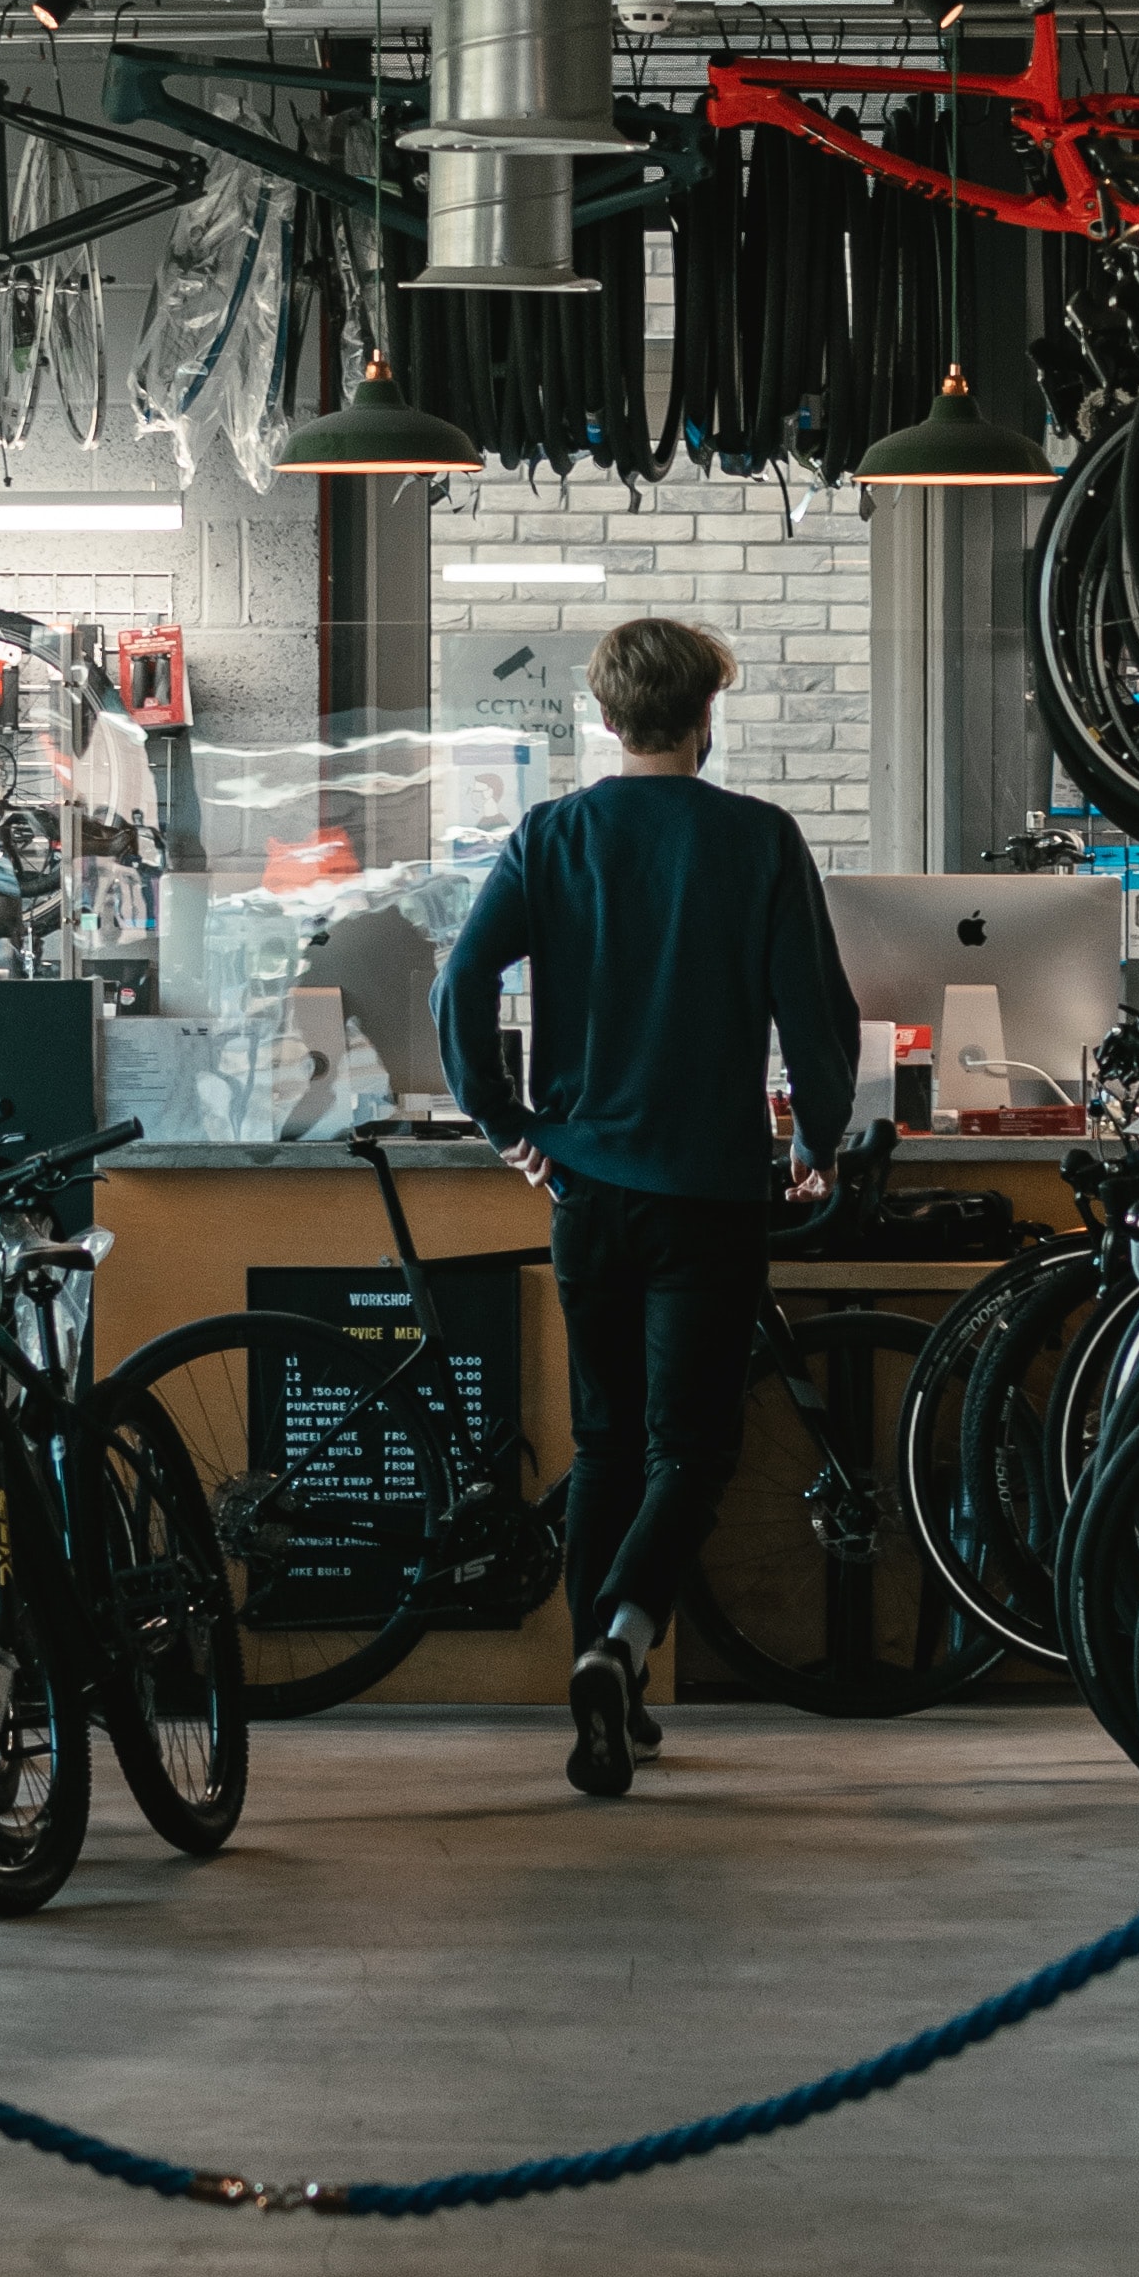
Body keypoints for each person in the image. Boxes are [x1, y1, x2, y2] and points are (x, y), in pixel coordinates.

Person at [432, 613, 860, 1803]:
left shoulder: (552, 835)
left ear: (606, 717)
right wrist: (817, 1135)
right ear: (704, 716)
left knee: (609, 1442)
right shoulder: (759, 840)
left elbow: (460, 978)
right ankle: (623, 1647)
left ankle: (594, 1666)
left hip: (588, 1192)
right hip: (712, 1193)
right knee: (695, 1447)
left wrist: (505, 1122)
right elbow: (813, 1010)